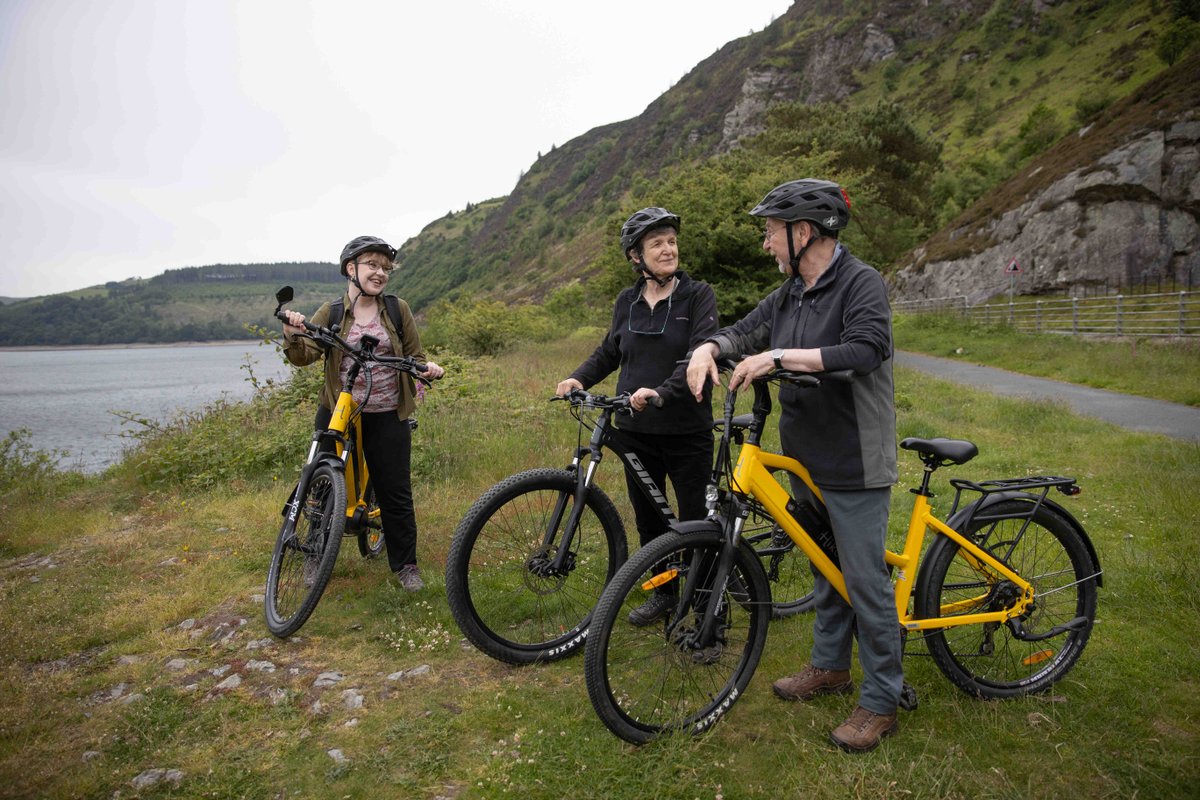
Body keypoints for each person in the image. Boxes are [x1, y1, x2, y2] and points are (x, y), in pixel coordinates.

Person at [685, 179, 902, 753]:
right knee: (823, 566)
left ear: (802, 232)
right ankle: (830, 666)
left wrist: (778, 356)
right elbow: (745, 331)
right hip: (806, 456)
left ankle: (882, 699)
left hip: (855, 458)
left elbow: (866, 349)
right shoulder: (790, 294)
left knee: (864, 581)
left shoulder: (860, 282)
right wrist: (709, 348)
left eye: (770, 231)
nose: (765, 243)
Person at [556, 207, 719, 625]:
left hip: (686, 430)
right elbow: (610, 351)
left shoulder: (697, 295)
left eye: (672, 241)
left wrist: (662, 392)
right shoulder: (627, 301)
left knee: (697, 524)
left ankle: (707, 613)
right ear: (636, 255)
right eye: (657, 244)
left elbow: (698, 353)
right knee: (649, 522)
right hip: (634, 429)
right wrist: (578, 378)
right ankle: (664, 595)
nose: (668, 249)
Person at [281, 235, 444, 593]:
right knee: (322, 485)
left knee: (395, 492)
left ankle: (406, 566)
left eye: (385, 268)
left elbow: (415, 356)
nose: (380, 272)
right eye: (372, 265)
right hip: (339, 411)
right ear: (350, 269)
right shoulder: (332, 313)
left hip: (388, 412)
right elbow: (305, 355)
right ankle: (314, 553)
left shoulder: (397, 309)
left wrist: (427, 368)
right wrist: (292, 333)